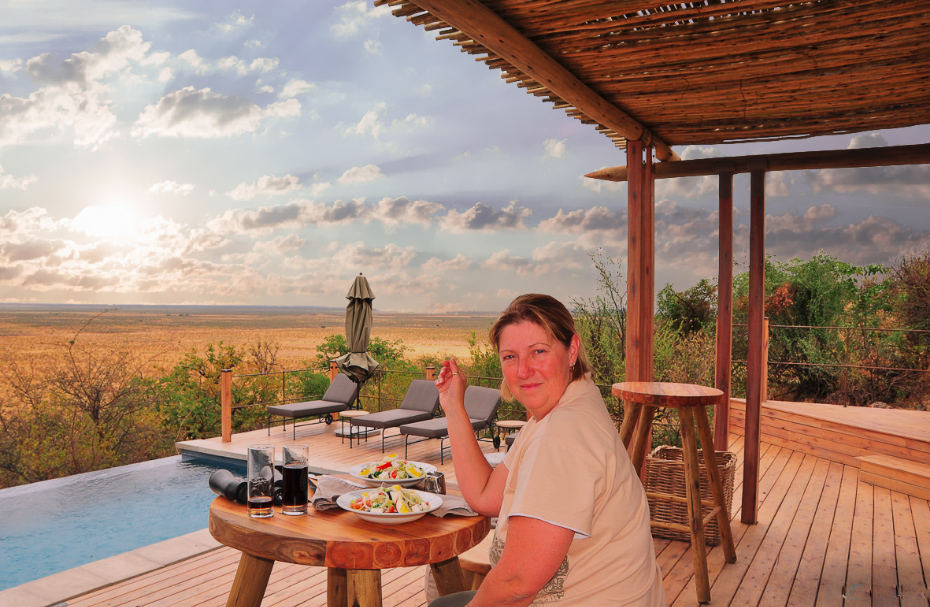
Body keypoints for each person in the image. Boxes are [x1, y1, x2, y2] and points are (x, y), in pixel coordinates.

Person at [431, 294, 666, 607]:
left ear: (572, 350)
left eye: (538, 351)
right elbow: (486, 495)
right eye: (510, 357)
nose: (523, 370)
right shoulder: (565, 404)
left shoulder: (562, 435)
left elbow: (517, 585)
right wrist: (452, 406)